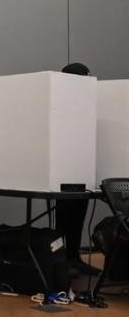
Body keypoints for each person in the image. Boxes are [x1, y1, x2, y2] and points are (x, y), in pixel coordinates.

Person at [57, 63, 101, 276]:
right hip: (61, 170)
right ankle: (62, 258)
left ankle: (73, 256)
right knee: (64, 215)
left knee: (79, 212)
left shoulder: (88, 103)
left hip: (81, 166)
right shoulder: (58, 101)